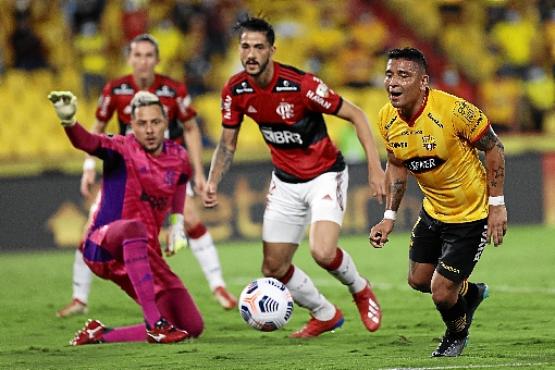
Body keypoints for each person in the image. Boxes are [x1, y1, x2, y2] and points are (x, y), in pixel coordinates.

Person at [203, 17, 386, 338]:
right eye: (245, 46)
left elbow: (355, 113)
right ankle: (324, 313)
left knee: (323, 252)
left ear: (272, 50)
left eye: (259, 47)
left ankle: (360, 288)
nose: (251, 54)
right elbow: (227, 144)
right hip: (285, 182)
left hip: (325, 175)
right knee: (273, 268)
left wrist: (375, 168)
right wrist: (213, 181)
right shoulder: (235, 89)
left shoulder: (302, 86)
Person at [56, 34, 236, 318]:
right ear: (129, 58)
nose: (143, 61)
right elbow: (97, 128)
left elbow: (190, 128)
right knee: (92, 230)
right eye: (137, 55)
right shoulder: (115, 89)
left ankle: (218, 286)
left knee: (189, 219)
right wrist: (89, 167)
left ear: (157, 59)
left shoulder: (173, 89)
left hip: (167, 169)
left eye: (148, 55)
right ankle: (80, 298)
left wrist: (199, 174)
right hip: (127, 171)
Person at [369, 48, 507, 357]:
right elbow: (397, 164)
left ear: (423, 82)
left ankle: (456, 334)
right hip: (433, 212)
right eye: (389, 74)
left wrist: (497, 204)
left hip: (471, 216)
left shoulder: (454, 111)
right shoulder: (386, 118)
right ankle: (471, 294)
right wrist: (389, 215)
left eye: (404, 75)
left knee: (442, 293)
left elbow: (495, 148)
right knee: (418, 280)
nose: (393, 82)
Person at [48, 90, 204, 345]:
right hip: (103, 245)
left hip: (143, 253)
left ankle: (100, 334)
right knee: (133, 228)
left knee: (191, 326)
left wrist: (177, 224)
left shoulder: (178, 157)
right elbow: (86, 142)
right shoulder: (121, 147)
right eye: (142, 124)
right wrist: (69, 122)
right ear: (132, 126)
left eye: (155, 122)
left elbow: (181, 180)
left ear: (166, 123)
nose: (150, 130)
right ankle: (155, 326)